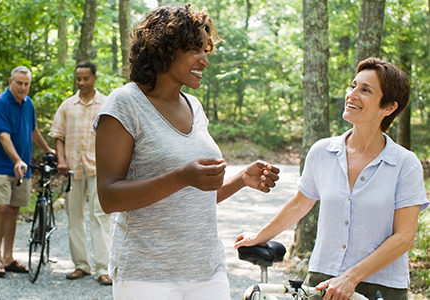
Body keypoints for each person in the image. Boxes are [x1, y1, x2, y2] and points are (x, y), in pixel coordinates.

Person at [94, 5, 280, 299]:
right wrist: (181, 177)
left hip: (208, 272)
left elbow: (195, 197)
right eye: (195, 49)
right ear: (163, 48)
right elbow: (108, 197)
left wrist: (242, 178)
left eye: (206, 50)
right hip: (147, 275)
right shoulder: (125, 104)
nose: (205, 61)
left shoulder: (195, 107)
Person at [234, 58, 429, 300]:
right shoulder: (322, 152)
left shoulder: (404, 163)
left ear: (388, 107)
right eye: (353, 86)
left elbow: (404, 237)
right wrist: (259, 237)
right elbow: (299, 204)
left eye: (365, 90)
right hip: (321, 282)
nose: (352, 94)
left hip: (381, 286)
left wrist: (351, 277)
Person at [49, 61, 113, 285]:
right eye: (78, 78)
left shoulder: (107, 104)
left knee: (101, 216)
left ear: (94, 78)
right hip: (72, 169)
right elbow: (58, 135)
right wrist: (61, 159)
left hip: (99, 168)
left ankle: (103, 268)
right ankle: (81, 265)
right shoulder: (67, 106)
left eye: (86, 78)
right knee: (74, 217)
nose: (82, 82)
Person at [0, 66, 54, 278]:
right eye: (19, 83)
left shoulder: (28, 103)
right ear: (10, 81)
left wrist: (48, 150)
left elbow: (33, 129)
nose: (23, 88)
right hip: (2, 166)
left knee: (14, 210)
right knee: (2, 207)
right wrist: (17, 160)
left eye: (26, 84)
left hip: (22, 169)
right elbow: (3, 137)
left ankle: (8, 257)